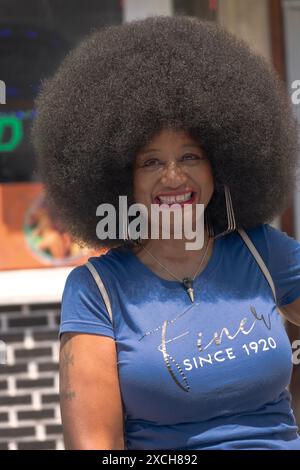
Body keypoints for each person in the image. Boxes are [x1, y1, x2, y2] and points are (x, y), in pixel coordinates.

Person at [32, 15, 300, 450]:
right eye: (151, 162)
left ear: (219, 163)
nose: (174, 177)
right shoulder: (97, 290)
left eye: (190, 156)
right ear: (121, 179)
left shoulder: (262, 251)